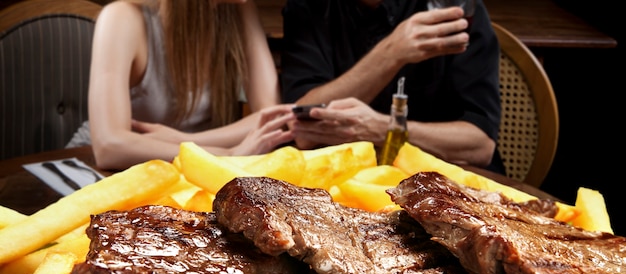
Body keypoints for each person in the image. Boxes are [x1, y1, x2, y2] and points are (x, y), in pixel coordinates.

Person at [280, 0, 505, 173]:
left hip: (449, 184)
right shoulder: (309, 7)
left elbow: (480, 144)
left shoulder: (452, 6)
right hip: (346, 184)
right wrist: (391, 53)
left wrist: (385, 130)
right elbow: (301, 125)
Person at [69, 0, 295, 171]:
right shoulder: (122, 16)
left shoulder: (238, 11)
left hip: (184, 168)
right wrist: (226, 153)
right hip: (96, 170)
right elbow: (110, 147)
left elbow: (271, 118)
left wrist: (184, 142)